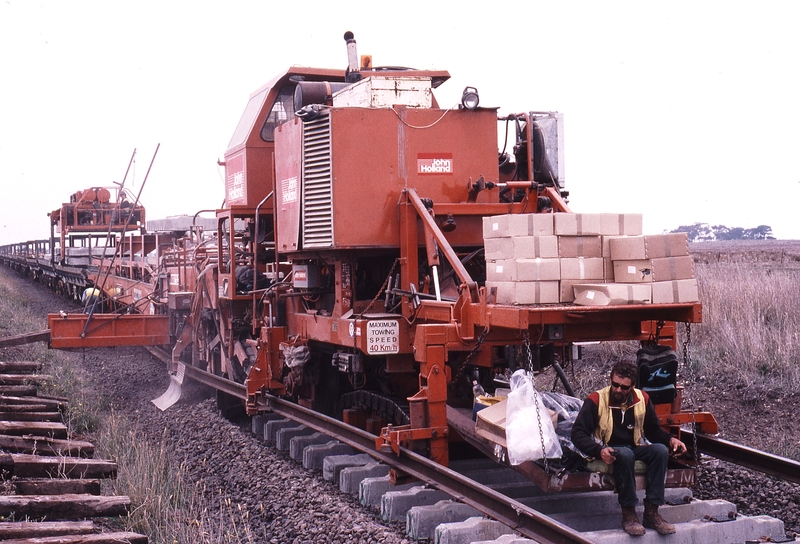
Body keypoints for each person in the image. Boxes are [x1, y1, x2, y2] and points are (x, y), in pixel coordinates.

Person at [571, 360, 687, 536]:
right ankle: (629, 514)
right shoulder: (596, 400)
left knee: (660, 451)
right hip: (606, 450)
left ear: (633, 386)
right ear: (611, 380)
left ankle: (652, 511)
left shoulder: (643, 399)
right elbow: (577, 434)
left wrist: (671, 440)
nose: (618, 390)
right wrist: (598, 451)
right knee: (625, 454)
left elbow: (653, 430)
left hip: (632, 447)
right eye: (615, 385)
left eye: (624, 387)